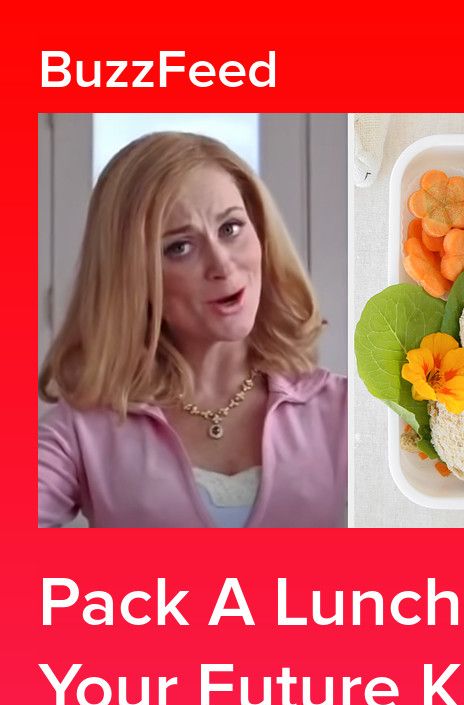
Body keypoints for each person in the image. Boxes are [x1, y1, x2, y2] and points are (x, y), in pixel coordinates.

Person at [39, 131, 347, 528]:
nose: (222, 264)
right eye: (179, 247)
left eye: (231, 228)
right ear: (132, 277)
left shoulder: (344, 409)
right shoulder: (81, 430)